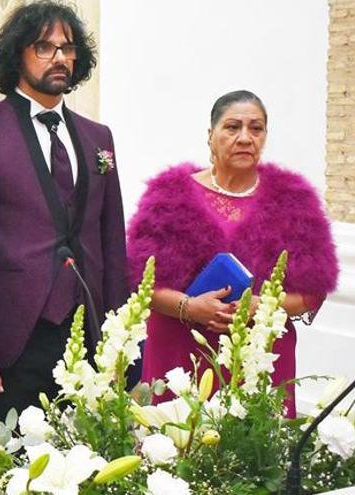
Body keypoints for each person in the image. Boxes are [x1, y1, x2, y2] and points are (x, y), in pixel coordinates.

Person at [0, 0, 129, 425]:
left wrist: (121, 336)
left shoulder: (98, 137)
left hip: (91, 331)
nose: (60, 57)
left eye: (67, 47)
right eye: (44, 47)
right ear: (17, 53)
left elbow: (111, 243)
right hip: (14, 339)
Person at [126, 90, 338, 417]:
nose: (244, 138)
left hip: (260, 355)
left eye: (256, 129)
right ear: (210, 136)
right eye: (232, 127)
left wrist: (262, 307)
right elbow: (142, 282)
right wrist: (190, 307)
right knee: (177, 450)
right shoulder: (168, 196)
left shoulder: (293, 201)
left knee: (254, 454)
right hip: (180, 354)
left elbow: (311, 292)